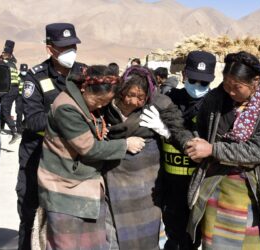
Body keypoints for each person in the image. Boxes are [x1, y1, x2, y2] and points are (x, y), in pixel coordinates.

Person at [185, 51, 260, 249]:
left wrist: (212, 150)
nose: (230, 91)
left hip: (253, 192)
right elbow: (202, 129)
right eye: (226, 84)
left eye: (236, 87)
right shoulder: (215, 98)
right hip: (216, 188)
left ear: (255, 81)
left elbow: (258, 151)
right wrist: (196, 145)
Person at [37, 65, 145, 249]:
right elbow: (89, 148)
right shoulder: (67, 108)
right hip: (64, 187)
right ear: (84, 89)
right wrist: (125, 144)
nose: (101, 106)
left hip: (85, 186)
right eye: (99, 101)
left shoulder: (87, 103)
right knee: (66, 244)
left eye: (106, 102)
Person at [103, 65, 190, 250]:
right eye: (129, 95)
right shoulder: (107, 100)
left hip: (146, 181)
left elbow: (180, 132)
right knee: (112, 231)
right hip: (114, 176)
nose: (134, 101)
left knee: (146, 235)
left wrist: (166, 132)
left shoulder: (159, 103)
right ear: (121, 89)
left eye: (140, 97)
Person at [16, 23, 85, 250]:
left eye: (73, 46)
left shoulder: (85, 75)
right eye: (64, 47)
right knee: (30, 215)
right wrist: (70, 122)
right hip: (37, 157)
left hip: (73, 161)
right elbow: (34, 120)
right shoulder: (34, 78)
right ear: (50, 49)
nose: (70, 51)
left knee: (71, 220)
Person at [158, 51, 216, 250]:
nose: (198, 87)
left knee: (193, 239)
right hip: (169, 183)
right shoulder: (169, 99)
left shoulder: (215, 106)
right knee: (174, 237)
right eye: (193, 80)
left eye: (204, 83)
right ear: (184, 76)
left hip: (198, 184)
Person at [0, 40, 21, 144]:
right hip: (14, 90)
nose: (2, 54)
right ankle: (1, 128)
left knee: (4, 111)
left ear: (7, 54)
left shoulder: (3, 63)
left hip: (8, 89)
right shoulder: (13, 64)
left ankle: (14, 132)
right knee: (4, 109)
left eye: (3, 53)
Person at [15, 63, 28, 134]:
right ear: (20, 70)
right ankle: (19, 129)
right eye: (22, 70)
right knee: (19, 114)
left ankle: (24, 126)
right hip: (19, 97)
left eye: (25, 70)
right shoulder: (17, 78)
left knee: (27, 114)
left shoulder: (29, 78)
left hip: (26, 98)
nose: (24, 71)